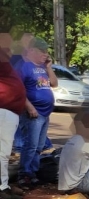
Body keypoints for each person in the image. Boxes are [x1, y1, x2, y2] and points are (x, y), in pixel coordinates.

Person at [13, 37, 57, 190]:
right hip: (33, 113)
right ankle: (24, 174)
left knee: (38, 146)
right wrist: (30, 107)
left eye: (46, 51)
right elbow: (18, 89)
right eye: (42, 51)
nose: (45, 54)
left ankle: (33, 173)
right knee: (30, 145)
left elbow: (54, 84)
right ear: (32, 51)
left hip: (45, 114)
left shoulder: (43, 68)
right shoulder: (24, 67)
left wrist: (49, 67)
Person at [0, 43, 26, 199]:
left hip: (8, 111)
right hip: (4, 110)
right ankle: (1, 188)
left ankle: (3, 185)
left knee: (3, 152)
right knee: (2, 152)